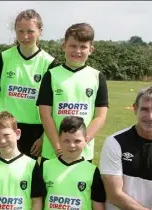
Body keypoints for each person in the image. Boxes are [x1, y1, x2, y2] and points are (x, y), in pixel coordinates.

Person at [37, 23, 108, 161]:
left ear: (91, 49)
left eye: (83, 47)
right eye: (73, 46)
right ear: (64, 46)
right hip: (53, 153)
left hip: (82, 154)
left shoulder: (97, 77)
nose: (78, 51)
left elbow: (100, 117)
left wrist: (80, 144)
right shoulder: (51, 75)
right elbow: (45, 115)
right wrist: (58, 148)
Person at [0, 9, 59, 158]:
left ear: (40, 31)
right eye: (20, 31)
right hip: (5, 126)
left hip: (35, 129)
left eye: (30, 31)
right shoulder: (4, 57)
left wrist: (44, 136)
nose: (25, 36)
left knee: (26, 176)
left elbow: (54, 105)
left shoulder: (49, 62)